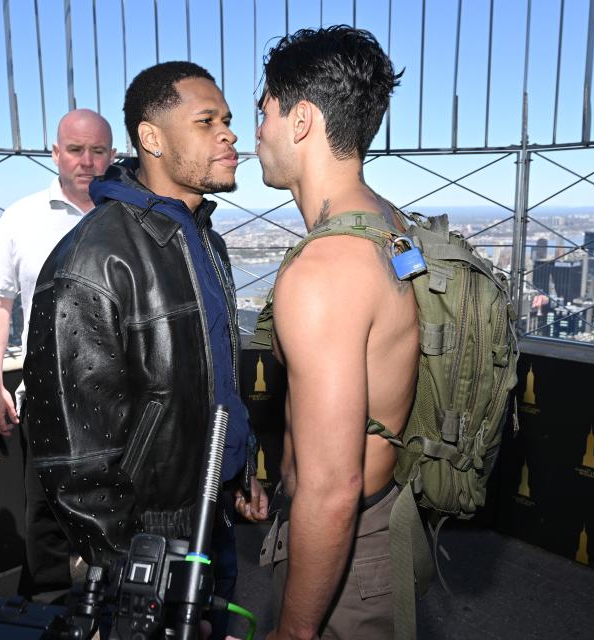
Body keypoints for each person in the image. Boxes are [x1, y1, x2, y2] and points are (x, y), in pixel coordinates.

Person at [23, 61, 266, 636]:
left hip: (211, 519)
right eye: (207, 121)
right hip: (146, 546)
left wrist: (239, 465)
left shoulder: (205, 240)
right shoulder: (90, 261)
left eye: (228, 120)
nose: (230, 134)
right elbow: (72, 454)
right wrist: (131, 564)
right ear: (151, 138)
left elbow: (215, 377)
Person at [254, 27, 414, 639]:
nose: (256, 133)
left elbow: (333, 486)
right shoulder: (389, 225)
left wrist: (293, 631)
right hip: (386, 524)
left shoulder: (324, 270)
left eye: (264, 111)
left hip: (348, 553)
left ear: (301, 120)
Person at [0, 108, 116, 599]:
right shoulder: (22, 217)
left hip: (125, 396)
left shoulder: (129, 216)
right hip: (46, 394)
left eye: (98, 151)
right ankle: (46, 607)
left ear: (113, 154)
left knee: (127, 508)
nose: (87, 162)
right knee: (44, 514)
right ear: (55, 153)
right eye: (75, 150)